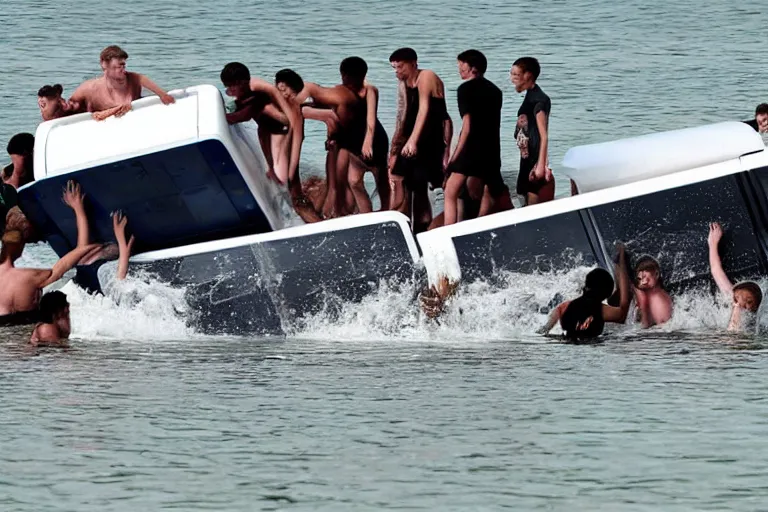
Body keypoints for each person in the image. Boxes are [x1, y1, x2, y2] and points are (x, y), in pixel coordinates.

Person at [296, 57, 389, 216]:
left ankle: (387, 209)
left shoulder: (370, 90)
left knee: (380, 180)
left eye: (348, 77)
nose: (346, 80)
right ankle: (367, 215)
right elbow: (329, 106)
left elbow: (371, 119)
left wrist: (368, 141)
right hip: (353, 143)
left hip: (374, 140)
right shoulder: (343, 93)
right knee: (354, 182)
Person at [0, 181, 101, 326]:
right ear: (21, 246)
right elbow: (82, 248)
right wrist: (78, 208)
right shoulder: (32, 277)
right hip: (34, 344)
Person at [443, 50, 511, 226]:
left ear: (473, 68)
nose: (459, 69)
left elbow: (467, 125)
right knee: (488, 189)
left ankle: (448, 229)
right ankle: (479, 225)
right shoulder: (496, 91)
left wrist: (454, 156)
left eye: (461, 66)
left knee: (450, 191)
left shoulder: (465, 89)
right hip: (491, 147)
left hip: (470, 148)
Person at [389, 47, 452, 233]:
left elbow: (424, 109)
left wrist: (413, 141)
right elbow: (402, 116)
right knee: (404, 182)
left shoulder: (426, 76)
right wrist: (394, 149)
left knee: (420, 187)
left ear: (413, 64)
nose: (397, 71)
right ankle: (402, 226)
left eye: (400, 67)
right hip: (412, 141)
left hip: (429, 141)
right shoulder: (403, 83)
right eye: (394, 68)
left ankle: (421, 229)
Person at [220, 62, 303, 185]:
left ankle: (293, 191)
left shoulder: (257, 97)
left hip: (281, 127)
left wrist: (221, 116)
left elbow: (242, 116)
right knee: (264, 138)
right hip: (266, 126)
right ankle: (272, 171)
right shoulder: (247, 93)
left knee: (288, 165)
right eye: (227, 86)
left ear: (242, 83)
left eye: (232, 87)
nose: (229, 90)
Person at [539, 245, 630, 340]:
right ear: (607, 293)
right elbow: (623, 312)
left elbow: (545, 330)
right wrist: (622, 262)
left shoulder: (565, 306)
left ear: (586, 286)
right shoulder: (601, 310)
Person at [69, 45, 175, 121]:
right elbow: (68, 108)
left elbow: (142, 79)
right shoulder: (89, 88)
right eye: (118, 67)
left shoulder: (133, 79)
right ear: (104, 64)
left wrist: (162, 94)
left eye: (124, 66)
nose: (123, 70)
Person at [510, 57, 554, 206]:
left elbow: (544, 135)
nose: (512, 79)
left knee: (531, 195)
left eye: (515, 75)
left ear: (528, 75)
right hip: (527, 156)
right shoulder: (530, 96)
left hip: (534, 158)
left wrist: (541, 164)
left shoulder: (538, 100)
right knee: (522, 192)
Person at [707, 222, 763, 332]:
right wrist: (713, 243)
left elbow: (715, 269)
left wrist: (712, 244)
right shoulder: (732, 297)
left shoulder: (731, 297)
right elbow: (715, 270)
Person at [633, 256, 673, 328]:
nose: (643, 280)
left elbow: (646, 328)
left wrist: (642, 302)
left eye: (645, 276)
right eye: (639, 278)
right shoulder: (647, 294)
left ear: (657, 274)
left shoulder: (657, 299)